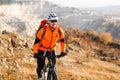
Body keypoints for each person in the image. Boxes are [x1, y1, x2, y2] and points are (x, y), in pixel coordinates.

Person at [33, 13, 67, 80]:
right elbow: (36, 42)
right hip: (41, 49)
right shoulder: (43, 30)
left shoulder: (59, 30)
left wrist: (63, 51)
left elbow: (62, 41)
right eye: (52, 21)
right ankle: (39, 77)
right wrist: (35, 53)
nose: (54, 23)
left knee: (53, 67)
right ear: (48, 21)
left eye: (55, 21)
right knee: (40, 67)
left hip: (51, 50)